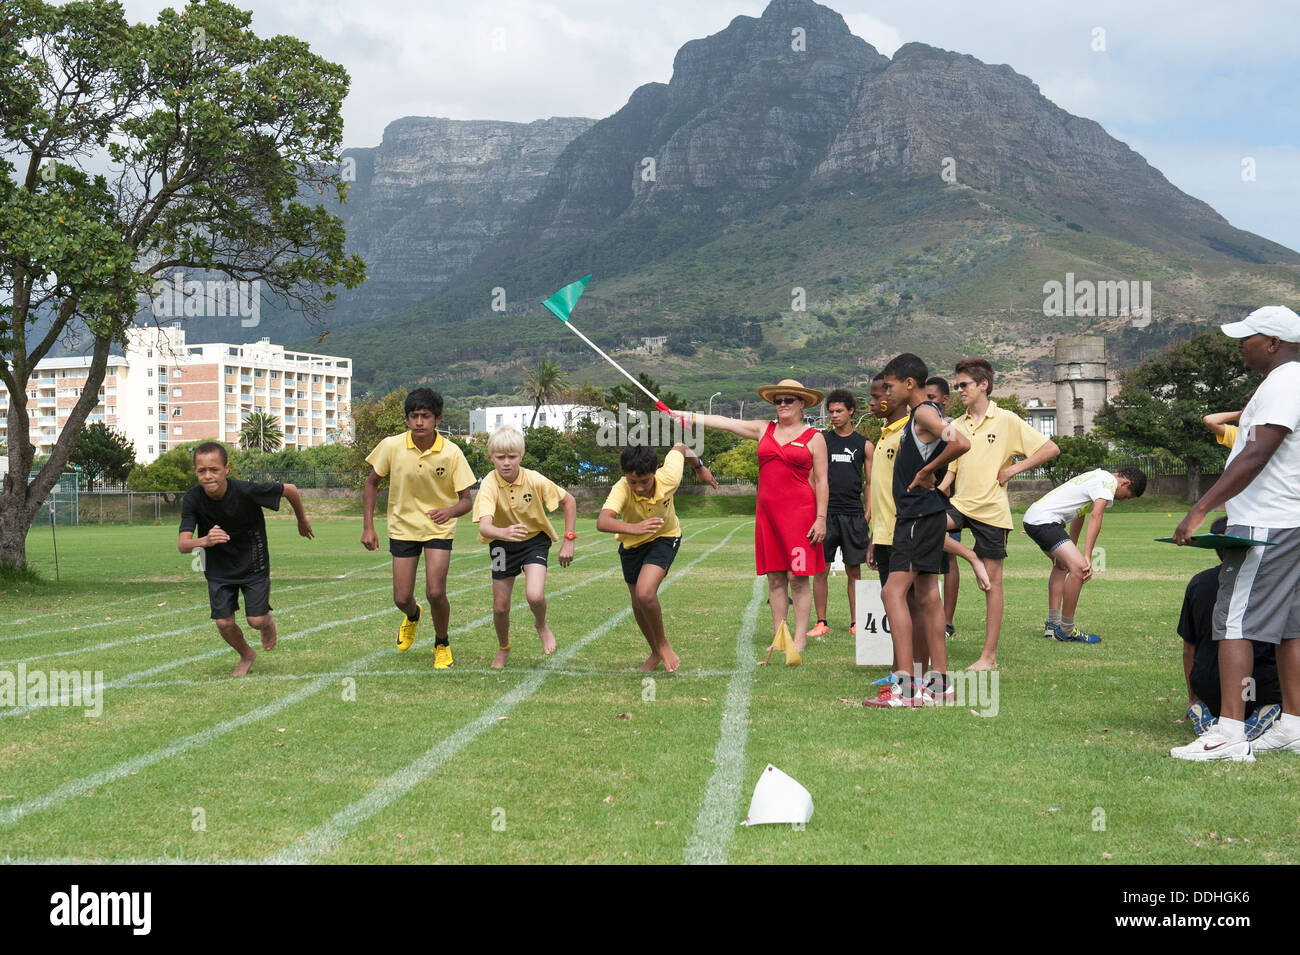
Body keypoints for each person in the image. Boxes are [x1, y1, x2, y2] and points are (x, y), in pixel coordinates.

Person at [1171, 305, 1300, 762]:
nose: (1240, 345)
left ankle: (1227, 732)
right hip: (1290, 520)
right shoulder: (1285, 381)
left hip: (1266, 522)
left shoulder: (1285, 382)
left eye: (1247, 337)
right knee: (1289, 626)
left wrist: (1201, 508)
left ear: (1273, 342)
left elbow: (1255, 455)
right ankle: (1292, 725)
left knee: (1234, 621)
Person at [676, 380, 828, 653]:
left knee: (798, 577)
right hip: (768, 515)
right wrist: (688, 416)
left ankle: (801, 638)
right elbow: (724, 422)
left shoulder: (815, 437)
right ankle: (780, 637)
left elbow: (822, 481)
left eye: (789, 400)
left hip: (801, 516)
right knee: (776, 577)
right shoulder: (763, 429)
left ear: (801, 403)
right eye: (778, 400)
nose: (782, 404)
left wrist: (821, 517)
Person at [939, 359, 1060, 669]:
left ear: (983, 385)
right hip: (960, 505)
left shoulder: (1006, 420)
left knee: (992, 585)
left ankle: (988, 658)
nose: (958, 390)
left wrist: (1013, 469)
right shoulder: (956, 425)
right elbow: (952, 469)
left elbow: (1050, 449)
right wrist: (938, 490)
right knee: (924, 528)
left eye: (963, 384)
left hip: (992, 512)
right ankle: (971, 556)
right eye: (957, 385)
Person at [866, 354, 971, 708]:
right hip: (928, 515)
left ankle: (906, 687)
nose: (887, 392)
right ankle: (940, 685)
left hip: (916, 515)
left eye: (891, 386)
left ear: (909, 384)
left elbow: (961, 442)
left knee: (892, 593)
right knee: (927, 596)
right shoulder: (924, 415)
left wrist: (929, 471)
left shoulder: (924, 411)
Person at [177, 441, 314, 676]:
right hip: (218, 566)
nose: (208, 476)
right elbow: (183, 545)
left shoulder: (245, 490)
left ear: (226, 468)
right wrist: (205, 541)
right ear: (196, 472)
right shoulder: (193, 498)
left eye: (214, 470)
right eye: (201, 471)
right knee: (224, 623)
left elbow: (289, 489)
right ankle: (246, 654)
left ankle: (267, 623)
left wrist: (302, 520)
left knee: (256, 620)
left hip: (253, 560)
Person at [361, 388, 475, 669]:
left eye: (426, 416)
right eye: (414, 416)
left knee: (435, 592)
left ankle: (442, 643)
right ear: (407, 419)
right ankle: (412, 615)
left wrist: (448, 512)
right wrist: (368, 527)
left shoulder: (452, 452)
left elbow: (466, 502)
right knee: (401, 597)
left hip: (438, 529)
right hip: (402, 527)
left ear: (437, 419)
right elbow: (371, 482)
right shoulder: (391, 446)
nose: (419, 422)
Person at [597, 442, 717, 672]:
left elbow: (681, 447)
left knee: (645, 593)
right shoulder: (621, 488)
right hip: (632, 544)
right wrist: (636, 528)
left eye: (645, 481)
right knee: (637, 604)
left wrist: (699, 467)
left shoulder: (669, 476)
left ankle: (663, 644)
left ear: (654, 472)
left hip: (665, 536)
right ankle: (655, 650)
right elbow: (603, 521)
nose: (639, 488)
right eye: (633, 482)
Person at [473, 425, 577, 670]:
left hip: (533, 541)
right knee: (500, 607)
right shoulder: (488, 484)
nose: (506, 463)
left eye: (512, 457)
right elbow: (485, 528)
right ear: (492, 457)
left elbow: (568, 500)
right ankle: (503, 647)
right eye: (500, 457)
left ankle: (541, 625)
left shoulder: (533, 478)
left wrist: (568, 539)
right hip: (500, 545)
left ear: (521, 456)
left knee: (535, 595)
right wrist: (503, 533)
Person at [1179, 517, 1281, 740]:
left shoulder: (1198, 583)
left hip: (1211, 688)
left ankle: (1205, 709)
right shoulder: (1273, 585)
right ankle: (1269, 709)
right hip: (1257, 686)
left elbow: (1189, 649)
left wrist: (1193, 697)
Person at [1022, 466, 1147, 644]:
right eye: (1126, 496)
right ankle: (1066, 630)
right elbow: (1096, 516)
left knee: (1062, 565)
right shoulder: (1107, 483)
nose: (1122, 500)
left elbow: (1079, 514)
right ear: (1125, 482)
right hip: (1045, 522)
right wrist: (1087, 556)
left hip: (1033, 518)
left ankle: (1052, 624)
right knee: (1080, 569)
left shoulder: (1095, 476)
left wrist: (1072, 548)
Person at [811, 388, 872, 638]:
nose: (834, 416)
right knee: (820, 569)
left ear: (851, 411)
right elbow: (813, 479)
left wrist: (868, 512)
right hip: (827, 515)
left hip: (853, 515)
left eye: (839, 411)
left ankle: (856, 622)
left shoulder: (864, 445)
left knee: (854, 571)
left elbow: (871, 483)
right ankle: (820, 622)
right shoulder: (822, 441)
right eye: (831, 411)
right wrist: (816, 513)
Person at [926, 376, 961, 640]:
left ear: (945, 400)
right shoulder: (919, 425)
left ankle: (947, 622)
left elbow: (958, 454)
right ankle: (927, 617)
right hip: (921, 500)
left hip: (947, 502)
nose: (928, 405)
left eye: (933, 399)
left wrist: (946, 481)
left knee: (949, 558)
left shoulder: (951, 427)